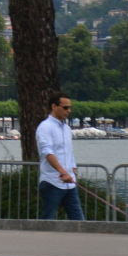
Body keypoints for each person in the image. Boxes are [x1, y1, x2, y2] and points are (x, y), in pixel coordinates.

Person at [37, 92, 84, 221]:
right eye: (65, 108)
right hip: (52, 182)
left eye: (70, 108)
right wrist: (62, 172)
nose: (69, 111)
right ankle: (43, 240)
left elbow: (69, 151)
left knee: (79, 221)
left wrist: (73, 168)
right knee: (48, 219)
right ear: (54, 106)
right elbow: (47, 152)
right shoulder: (45, 127)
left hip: (70, 183)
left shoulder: (67, 129)